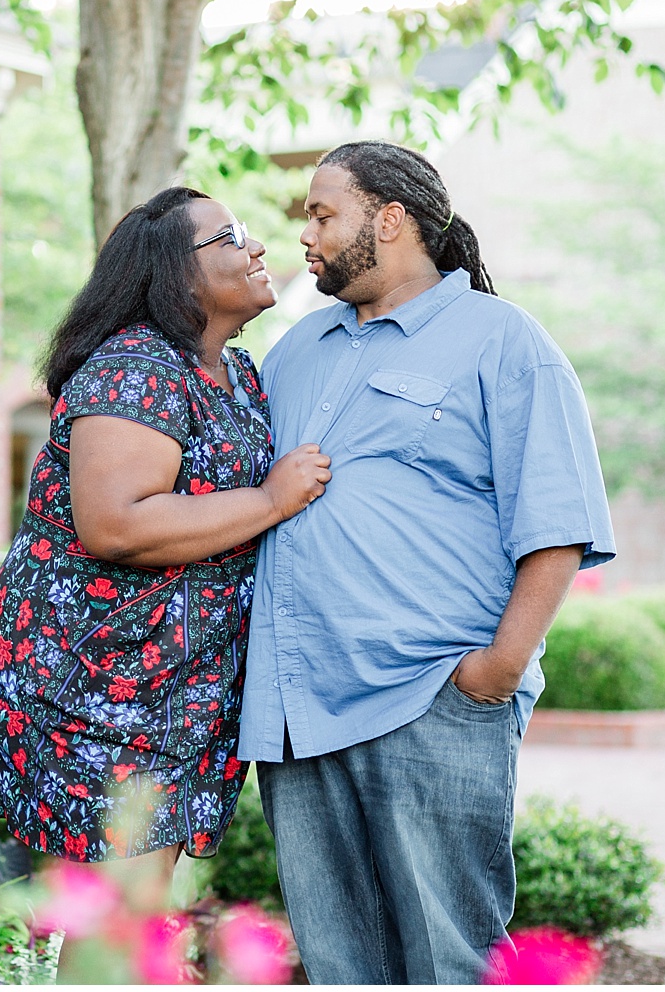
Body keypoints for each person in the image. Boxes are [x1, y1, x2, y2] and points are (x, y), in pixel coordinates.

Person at [239, 141, 616, 984]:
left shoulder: (503, 340)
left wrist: (496, 669)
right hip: (299, 708)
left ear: (392, 218)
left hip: (430, 696)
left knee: (450, 960)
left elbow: (557, 523)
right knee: (340, 962)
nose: (306, 236)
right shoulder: (296, 349)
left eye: (323, 214)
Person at [0, 186, 333, 911]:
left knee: (136, 912)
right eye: (229, 237)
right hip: (97, 685)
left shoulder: (234, 375)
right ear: (171, 274)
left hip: (174, 687)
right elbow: (116, 524)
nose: (256, 247)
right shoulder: (136, 368)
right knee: (119, 922)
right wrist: (271, 501)